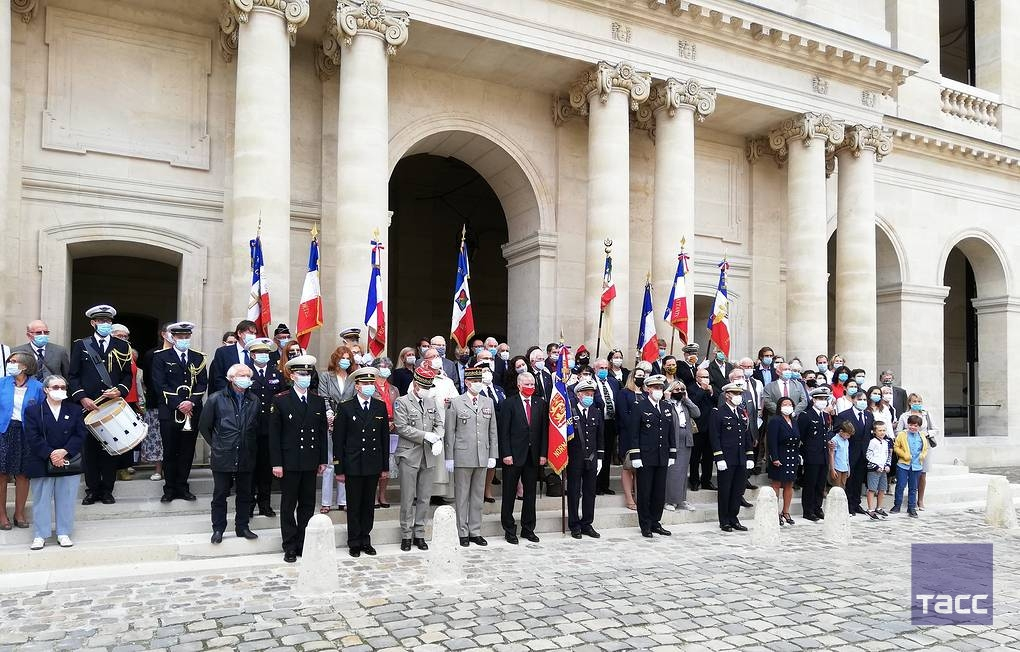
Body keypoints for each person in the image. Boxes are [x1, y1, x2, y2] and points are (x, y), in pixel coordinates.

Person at [68, 305, 133, 505]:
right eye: (101, 321)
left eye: (108, 321)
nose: (105, 324)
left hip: (111, 404)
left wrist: (120, 390)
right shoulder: (81, 345)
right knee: (89, 450)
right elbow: (73, 375)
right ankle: (92, 489)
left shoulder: (121, 346)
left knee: (109, 448)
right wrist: (82, 398)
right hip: (88, 405)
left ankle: (107, 490)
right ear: (92, 323)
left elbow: (127, 374)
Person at [271, 355, 328, 562]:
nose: (306, 377)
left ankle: (304, 542)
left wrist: (322, 459)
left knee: (307, 504)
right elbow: (275, 435)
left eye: (308, 373)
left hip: (310, 460)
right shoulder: (281, 400)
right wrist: (276, 463)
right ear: (292, 375)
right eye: (302, 373)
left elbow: (322, 433)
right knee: (288, 505)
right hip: (289, 461)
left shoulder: (317, 400)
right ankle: (289, 545)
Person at [197, 363, 260, 543]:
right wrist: (217, 444)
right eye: (242, 375)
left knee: (245, 493)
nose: (245, 379)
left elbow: (256, 426)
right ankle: (218, 529)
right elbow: (204, 425)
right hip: (223, 453)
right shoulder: (216, 399)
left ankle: (242, 526)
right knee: (220, 493)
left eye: (248, 376)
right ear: (231, 378)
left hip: (246, 453)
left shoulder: (254, 400)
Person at [23, 375, 85, 549]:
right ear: (46, 390)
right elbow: (32, 436)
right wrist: (51, 454)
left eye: (63, 387)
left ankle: (63, 532)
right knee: (41, 499)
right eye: (55, 387)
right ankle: (40, 535)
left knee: (66, 498)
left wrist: (64, 452)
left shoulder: (74, 409)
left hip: (68, 459)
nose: (60, 390)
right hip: (41, 459)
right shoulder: (33, 411)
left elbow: (80, 434)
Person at [333, 367, 389, 557]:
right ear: (357, 386)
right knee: (354, 504)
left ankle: (366, 538)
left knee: (368, 505)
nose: (369, 387)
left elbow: (384, 439)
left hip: (372, 463)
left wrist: (384, 467)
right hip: (353, 463)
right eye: (365, 384)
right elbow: (339, 440)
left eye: (371, 383)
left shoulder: (379, 406)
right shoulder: (346, 407)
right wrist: (339, 467)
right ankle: (354, 541)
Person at [151, 322, 208, 503]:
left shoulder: (198, 357)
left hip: (192, 411)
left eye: (186, 337)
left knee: (187, 450)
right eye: (180, 337)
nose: (184, 340)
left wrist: (191, 402)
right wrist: (178, 404)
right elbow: (159, 384)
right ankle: (169, 488)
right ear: (172, 337)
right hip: (170, 411)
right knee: (170, 450)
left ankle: (183, 486)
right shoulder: (160, 357)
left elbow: (202, 383)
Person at [446, 366, 499, 547]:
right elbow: (450, 431)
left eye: (479, 381)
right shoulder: (456, 402)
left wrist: (493, 454)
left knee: (477, 496)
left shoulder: (488, 402)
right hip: (462, 454)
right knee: (461, 496)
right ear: (467, 382)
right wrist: (449, 457)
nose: (477, 384)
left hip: (482, 455)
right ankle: (462, 531)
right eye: (475, 381)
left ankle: (475, 531)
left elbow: (493, 431)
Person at [393, 364, 444, 551]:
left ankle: (419, 533)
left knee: (424, 497)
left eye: (429, 388)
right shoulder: (402, 402)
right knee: (408, 497)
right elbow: (402, 427)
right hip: (409, 455)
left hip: (428, 455)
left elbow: (439, 423)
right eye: (424, 388)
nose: (427, 391)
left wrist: (438, 437)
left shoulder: (431, 402)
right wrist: (425, 436)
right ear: (415, 386)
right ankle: (406, 534)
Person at [497, 370, 547, 544]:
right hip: (513, 456)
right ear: (519, 385)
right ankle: (509, 529)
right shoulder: (509, 403)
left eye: (532, 384)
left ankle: (528, 528)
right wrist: (506, 454)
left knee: (530, 494)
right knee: (509, 493)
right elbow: (503, 432)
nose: (530, 387)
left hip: (533, 457)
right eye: (527, 384)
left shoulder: (540, 403)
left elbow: (544, 431)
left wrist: (543, 454)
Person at [625, 374, 676, 538]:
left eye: (660, 388)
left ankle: (656, 522)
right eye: (655, 388)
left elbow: (670, 432)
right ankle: (645, 524)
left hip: (662, 456)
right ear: (648, 389)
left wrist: (672, 452)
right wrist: (635, 455)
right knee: (645, 492)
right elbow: (633, 433)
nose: (658, 391)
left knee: (659, 492)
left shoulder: (667, 407)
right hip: (646, 456)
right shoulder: (639, 406)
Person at [1, 351, 44, 529]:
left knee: (23, 474)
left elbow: (43, 413)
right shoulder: (2, 384)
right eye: (9, 361)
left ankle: (19, 513)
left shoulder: (38, 387)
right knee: (2, 474)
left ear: (24, 366)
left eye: (14, 361)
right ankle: (2, 515)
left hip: (27, 433)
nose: (10, 363)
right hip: (4, 431)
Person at [709, 383, 755, 532]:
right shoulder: (718, 412)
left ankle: (734, 518)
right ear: (727, 395)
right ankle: (724, 520)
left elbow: (747, 435)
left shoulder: (742, 413)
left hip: (740, 458)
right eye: (734, 393)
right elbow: (715, 437)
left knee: (737, 490)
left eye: (739, 393)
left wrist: (749, 456)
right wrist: (719, 457)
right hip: (726, 458)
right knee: (725, 490)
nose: (738, 396)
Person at [246, 337, 281, 517]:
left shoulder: (276, 374)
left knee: (266, 469)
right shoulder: (246, 373)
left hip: (270, 428)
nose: (264, 356)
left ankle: (265, 503)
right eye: (260, 353)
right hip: (251, 428)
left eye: (266, 353)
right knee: (251, 467)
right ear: (252, 355)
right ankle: (249, 503)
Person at [317, 345, 354, 513]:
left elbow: (354, 399)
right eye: (342, 358)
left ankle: (343, 500)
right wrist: (329, 413)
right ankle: (326, 502)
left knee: (344, 461)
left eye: (348, 358)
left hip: (348, 423)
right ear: (336, 359)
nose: (345, 361)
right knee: (330, 461)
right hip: (330, 421)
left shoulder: (353, 378)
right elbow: (323, 396)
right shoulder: (326, 377)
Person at [567, 379, 604, 538]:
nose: (590, 396)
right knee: (574, 491)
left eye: (592, 393)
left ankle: (587, 523)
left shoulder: (596, 412)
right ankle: (574, 524)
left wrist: (600, 457)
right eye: (586, 393)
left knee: (590, 492)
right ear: (578, 394)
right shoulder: (571, 411)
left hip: (592, 457)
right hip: (574, 458)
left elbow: (600, 436)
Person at [617, 361, 651, 510]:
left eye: (643, 376)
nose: (641, 378)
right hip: (628, 434)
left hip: (645, 437)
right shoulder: (624, 393)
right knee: (628, 467)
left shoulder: (645, 394)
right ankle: (629, 499)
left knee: (641, 468)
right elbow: (623, 415)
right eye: (638, 376)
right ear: (632, 377)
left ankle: (640, 497)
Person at [138, 324, 170, 483]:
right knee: (157, 437)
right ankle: (158, 469)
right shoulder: (152, 354)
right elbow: (148, 379)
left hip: (177, 405)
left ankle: (172, 469)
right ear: (163, 334)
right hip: (156, 402)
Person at [896, 393, 936, 511]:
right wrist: (909, 431)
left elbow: (935, 429)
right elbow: (898, 431)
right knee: (906, 475)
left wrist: (925, 434)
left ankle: (920, 500)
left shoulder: (926, 414)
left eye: (919, 402)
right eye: (914, 401)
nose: (917, 404)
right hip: (907, 448)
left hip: (923, 447)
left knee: (922, 474)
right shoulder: (904, 416)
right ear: (909, 403)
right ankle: (903, 502)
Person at [798, 386, 832, 521]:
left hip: (823, 454)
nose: (823, 401)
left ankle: (818, 508)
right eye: (820, 399)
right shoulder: (806, 415)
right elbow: (801, 436)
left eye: (825, 399)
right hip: (811, 455)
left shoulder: (825, 415)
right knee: (810, 484)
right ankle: (808, 510)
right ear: (813, 400)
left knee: (820, 484)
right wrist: (802, 455)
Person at [664, 379, 698, 512]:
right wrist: (667, 399)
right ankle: (670, 500)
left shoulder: (684, 404)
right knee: (673, 471)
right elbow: (664, 417)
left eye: (682, 390)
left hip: (686, 439)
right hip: (673, 440)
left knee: (683, 471)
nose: (680, 392)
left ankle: (681, 499)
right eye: (677, 390)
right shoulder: (666, 404)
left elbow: (697, 413)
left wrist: (687, 399)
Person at [371, 356, 400, 508]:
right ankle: (374, 495)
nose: (385, 369)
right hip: (375, 428)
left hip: (392, 428)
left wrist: (394, 422)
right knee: (376, 462)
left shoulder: (394, 389)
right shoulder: (370, 386)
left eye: (388, 366)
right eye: (382, 366)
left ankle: (383, 494)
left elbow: (400, 409)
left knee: (388, 462)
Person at [767, 396, 799, 526]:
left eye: (790, 404)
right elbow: (772, 440)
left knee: (789, 485)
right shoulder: (775, 420)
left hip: (792, 456)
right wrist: (774, 457)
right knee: (776, 484)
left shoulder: (794, 421)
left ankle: (785, 511)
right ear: (780, 406)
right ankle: (774, 512)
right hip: (780, 455)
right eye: (785, 404)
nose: (788, 406)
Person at [592, 358, 621, 496]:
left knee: (608, 454)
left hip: (610, 422)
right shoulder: (591, 382)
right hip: (597, 423)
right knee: (598, 454)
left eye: (605, 368)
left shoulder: (613, 382)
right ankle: (596, 485)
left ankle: (605, 485)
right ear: (595, 369)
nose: (603, 370)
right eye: (600, 368)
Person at [892, 415, 929, 518]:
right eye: (911, 425)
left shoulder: (922, 436)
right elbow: (896, 447)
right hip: (903, 465)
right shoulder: (902, 435)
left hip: (916, 466)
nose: (913, 427)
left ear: (919, 427)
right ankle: (897, 505)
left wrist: (922, 456)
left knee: (913, 488)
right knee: (900, 486)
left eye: (915, 425)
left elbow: (925, 449)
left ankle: (911, 508)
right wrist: (904, 455)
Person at [208, 320, 260, 394]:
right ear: (239, 333)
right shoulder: (223, 352)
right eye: (250, 333)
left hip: (252, 398)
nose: (253, 336)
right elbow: (218, 378)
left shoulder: (257, 352)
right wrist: (231, 393)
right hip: (229, 397)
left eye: (255, 333)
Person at [687, 366, 716, 492]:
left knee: (708, 457)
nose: (705, 379)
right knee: (695, 457)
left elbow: (717, 401)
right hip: (697, 428)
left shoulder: (711, 388)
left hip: (711, 428)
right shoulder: (691, 388)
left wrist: (711, 392)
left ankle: (706, 480)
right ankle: (694, 481)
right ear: (696, 378)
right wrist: (702, 390)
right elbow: (692, 403)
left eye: (707, 377)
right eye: (702, 377)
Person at [865, 421, 892, 520]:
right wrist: (876, 466)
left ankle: (879, 507)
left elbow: (887, 455)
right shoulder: (872, 442)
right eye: (879, 430)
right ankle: (870, 509)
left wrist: (887, 465)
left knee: (882, 489)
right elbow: (868, 455)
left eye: (884, 430)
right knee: (872, 489)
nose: (882, 432)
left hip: (883, 469)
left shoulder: (886, 442)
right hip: (874, 469)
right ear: (874, 431)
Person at [828, 420, 854, 489]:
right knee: (836, 488)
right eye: (847, 435)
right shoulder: (835, 440)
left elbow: (846, 455)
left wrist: (848, 467)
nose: (848, 437)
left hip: (844, 467)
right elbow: (832, 455)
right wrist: (832, 469)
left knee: (842, 487)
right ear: (841, 431)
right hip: (837, 467)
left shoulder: (846, 441)